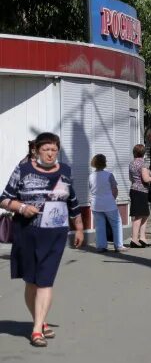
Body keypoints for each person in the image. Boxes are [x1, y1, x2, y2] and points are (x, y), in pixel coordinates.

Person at [0, 132, 84, 347]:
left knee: (45, 280)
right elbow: (4, 198)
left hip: (55, 234)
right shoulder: (23, 170)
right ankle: (40, 320)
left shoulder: (65, 171)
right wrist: (21, 207)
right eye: (45, 150)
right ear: (36, 151)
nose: (50, 154)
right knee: (31, 281)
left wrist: (79, 227)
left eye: (54, 150)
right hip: (27, 232)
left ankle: (37, 330)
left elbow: (72, 199)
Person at [88, 154, 126, 253]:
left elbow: (90, 189)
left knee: (100, 225)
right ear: (104, 163)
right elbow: (114, 189)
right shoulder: (109, 175)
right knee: (116, 223)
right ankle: (118, 245)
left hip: (96, 204)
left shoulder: (91, 176)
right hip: (109, 203)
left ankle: (101, 246)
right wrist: (112, 198)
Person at [128, 144, 151, 248]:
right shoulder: (143, 164)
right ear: (143, 153)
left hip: (134, 189)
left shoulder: (132, 163)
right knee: (139, 215)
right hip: (141, 191)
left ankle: (142, 237)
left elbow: (131, 178)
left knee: (144, 214)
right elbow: (146, 179)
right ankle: (134, 239)